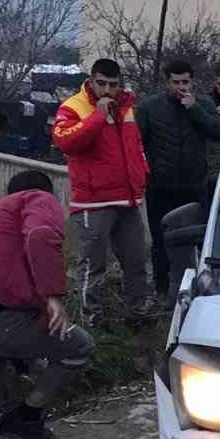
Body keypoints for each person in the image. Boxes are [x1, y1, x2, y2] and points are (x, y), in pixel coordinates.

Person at [0, 169, 94, 439]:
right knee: (78, 347)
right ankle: (27, 416)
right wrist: (52, 296)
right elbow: (39, 235)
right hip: (1, 319)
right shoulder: (37, 199)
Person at [52, 57, 151, 325]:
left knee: (136, 262)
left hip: (128, 198)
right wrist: (98, 115)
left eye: (114, 85)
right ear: (91, 81)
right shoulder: (73, 107)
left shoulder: (127, 107)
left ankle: (138, 315)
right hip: (93, 202)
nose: (108, 90)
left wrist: (143, 172)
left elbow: (136, 145)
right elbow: (65, 141)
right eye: (102, 84)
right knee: (92, 267)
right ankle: (91, 323)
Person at [137, 58, 220, 299]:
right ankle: (163, 290)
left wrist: (194, 108)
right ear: (167, 82)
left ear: (192, 82)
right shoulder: (150, 107)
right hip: (160, 187)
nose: (181, 87)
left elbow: (219, 132)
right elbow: (137, 142)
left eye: (185, 82)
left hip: (194, 187)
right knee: (160, 240)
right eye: (176, 82)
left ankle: (197, 287)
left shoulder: (203, 104)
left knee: (197, 239)